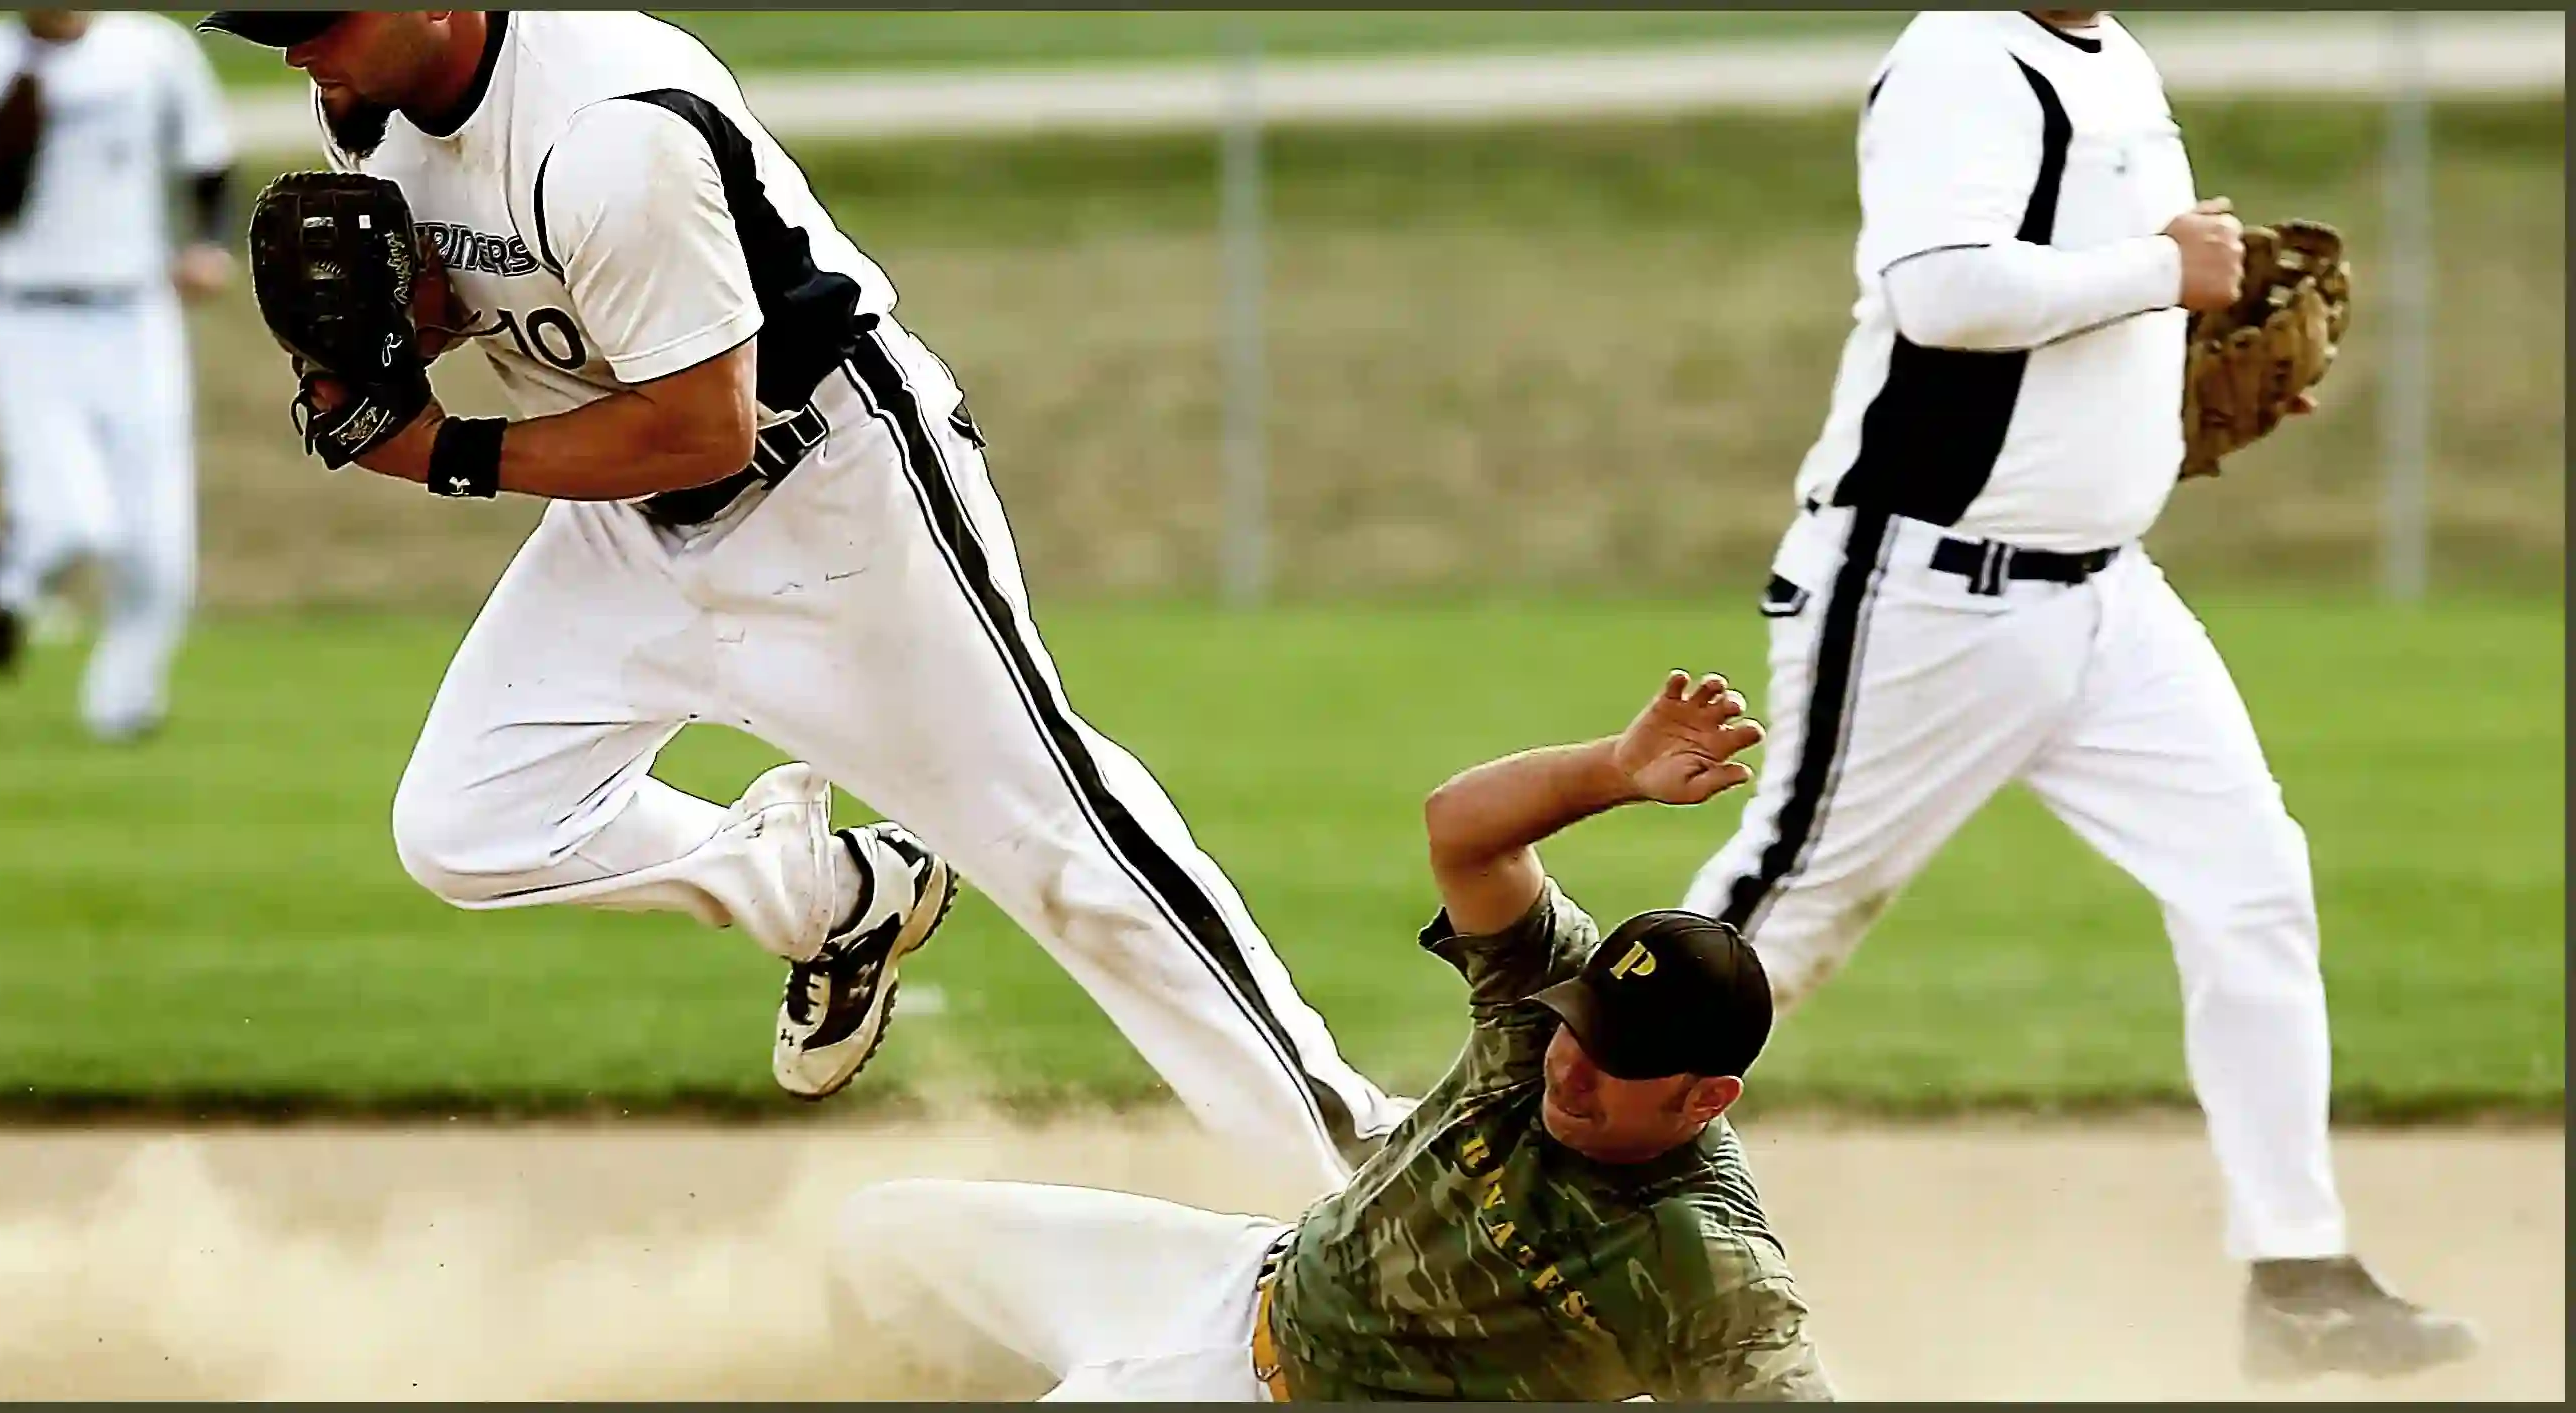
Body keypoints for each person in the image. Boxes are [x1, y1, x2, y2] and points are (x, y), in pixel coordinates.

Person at [191, 10, 1400, 1191]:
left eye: (316, 18)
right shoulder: (367, 107)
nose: (296, 47)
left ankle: (1353, 1160)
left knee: (1057, 847)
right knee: (467, 827)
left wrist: (443, 452)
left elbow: (703, 427)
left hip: (831, 495)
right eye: (265, 26)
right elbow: (483, 293)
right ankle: (839, 896)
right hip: (626, 522)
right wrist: (387, 344)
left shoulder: (611, 131)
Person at [1673, 9, 2476, 1381]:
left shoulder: (2111, 56)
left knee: (2250, 887)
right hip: (1927, 591)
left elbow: (2085, 296)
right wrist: (2162, 269)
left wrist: (2166, 372)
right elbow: (1941, 294)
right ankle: (1499, 1161)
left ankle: (2299, 1278)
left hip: (2106, 594)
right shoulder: (1963, 56)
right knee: (1776, 923)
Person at [833, 670, 1835, 1402]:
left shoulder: (1698, 1256)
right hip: (1240, 1282)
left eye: (1622, 1063)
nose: (1573, 1068)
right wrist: (1612, 769)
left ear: (1707, 1098)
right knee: (881, 1243)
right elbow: (1463, 831)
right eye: (1584, 1029)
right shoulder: (1542, 1018)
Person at [0, 9, 237, 742]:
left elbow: (210, 161)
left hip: (138, 311)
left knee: (158, 540)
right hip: (26, 314)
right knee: (74, 518)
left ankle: (122, 706)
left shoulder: (152, 51)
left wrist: (209, 247)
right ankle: (11, 576)